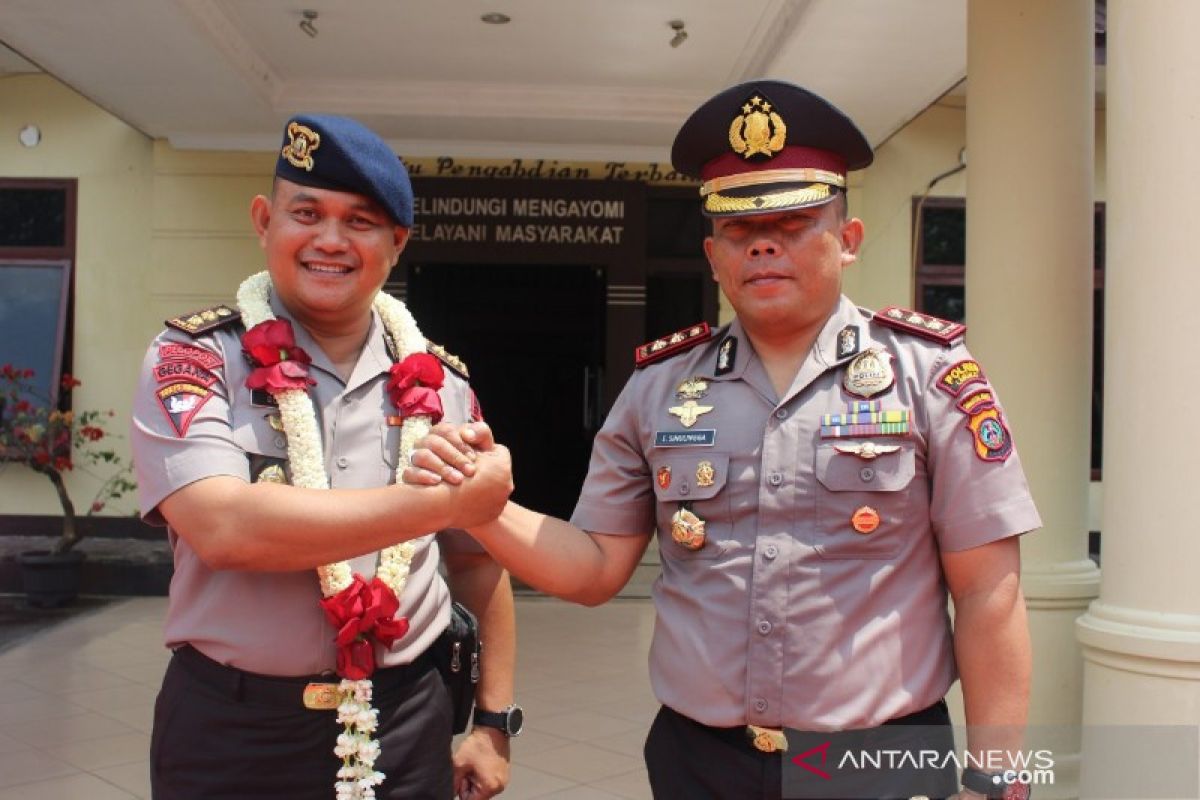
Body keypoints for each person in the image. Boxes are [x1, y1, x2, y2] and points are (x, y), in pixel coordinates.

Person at [407, 80, 1040, 800]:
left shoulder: (929, 377)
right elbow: (593, 567)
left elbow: (989, 588)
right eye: (740, 230)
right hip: (700, 763)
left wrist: (996, 781)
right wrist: (483, 508)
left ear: (849, 239)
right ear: (713, 254)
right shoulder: (656, 389)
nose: (764, 243)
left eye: (796, 221)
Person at [130, 114, 517, 800]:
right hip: (232, 729)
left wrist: (492, 721)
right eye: (306, 212)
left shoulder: (442, 385)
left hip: (407, 718)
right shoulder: (194, 360)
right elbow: (225, 528)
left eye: (361, 221)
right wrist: (438, 503)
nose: (330, 241)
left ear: (397, 243)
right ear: (264, 221)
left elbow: (478, 557)